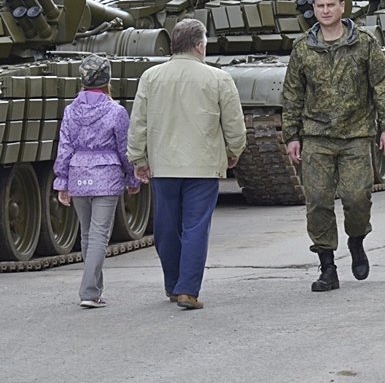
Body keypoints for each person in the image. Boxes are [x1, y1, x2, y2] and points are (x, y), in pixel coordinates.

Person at [283, 0, 385, 293]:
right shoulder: (303, 48)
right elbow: (292, 94)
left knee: (356, 198)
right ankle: (327, 267)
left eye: (330, 5)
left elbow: (382, 85)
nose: (325, 10)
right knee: (318, 201)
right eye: (320, 6)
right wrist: (291, 135)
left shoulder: (363, 43)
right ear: (314, 9)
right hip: (316, 136)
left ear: (342, 7)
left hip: (356, 134)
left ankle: (357, 240)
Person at [128, 18, 246, 311]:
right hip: (203, 166)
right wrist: (234, 151)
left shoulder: (151, 77)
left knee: (166, 228)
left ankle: (173, 283)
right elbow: (234, 125)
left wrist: (138, 158)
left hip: (163, 165)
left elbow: (138, 123)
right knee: (196, 227)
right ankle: (188, 290)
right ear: (199, 45)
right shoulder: (218, 78)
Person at [53, 55, 139, 309]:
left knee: (89, 234)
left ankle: (95, 290)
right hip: (107, 176)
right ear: (107, 81)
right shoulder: (116, 111)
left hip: (79, 174)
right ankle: (89, 292)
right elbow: (125, 149)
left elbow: (65, 147)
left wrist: (62, 181)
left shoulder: (70, 111)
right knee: (100, 235)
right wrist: (132, 176)